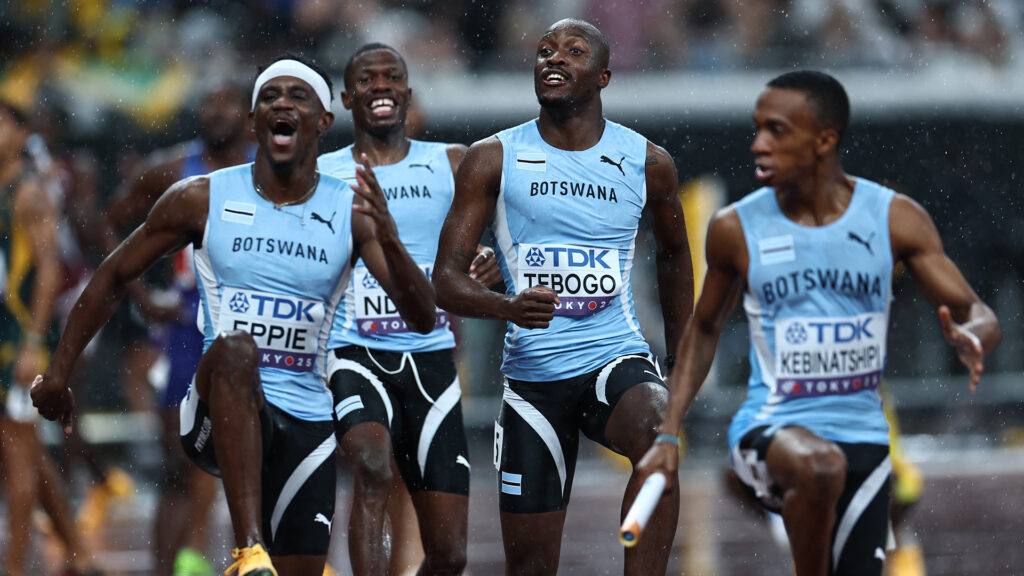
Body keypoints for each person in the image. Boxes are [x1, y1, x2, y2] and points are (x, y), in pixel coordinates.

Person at [31, 55, 437, 576]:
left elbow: (423, 317)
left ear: (322, 121)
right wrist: (59, 372)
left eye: (298, 97)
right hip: (216, 399)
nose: (282, 104)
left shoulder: (352, 210)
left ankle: (266, 554)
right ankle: (247, 549)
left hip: (307, 412)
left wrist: (391, 238)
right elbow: (109, 275)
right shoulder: (201, 197)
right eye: (270, 97)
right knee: (237, 350)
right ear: (254, 122)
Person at [636, 70, 1002, 576]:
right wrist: (669, 434)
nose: (758, 144)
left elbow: (976, 312)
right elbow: (703, 329)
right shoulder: (735, 228)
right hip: (771, 425)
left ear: (825, 140)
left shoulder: (895, 218)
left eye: (777, 131)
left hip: (865, 438)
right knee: (816, 466)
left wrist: (974, 336)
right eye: (757, 127)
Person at [432, 19, 694, 575]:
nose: (553, 58)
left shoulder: (648, 162)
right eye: (544, 50)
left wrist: (680, 357)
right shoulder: (492, 158)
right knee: (530, 567)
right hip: (532, 381)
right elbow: (446, 281)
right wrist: (507, 308)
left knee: (657, 436)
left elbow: (675, 256)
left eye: (573, 52)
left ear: (603, 74)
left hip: (613, 356)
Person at [318, 43, 500, 576]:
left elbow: (495, 245)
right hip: (352, 351)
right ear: (349, 98)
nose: (380, 85)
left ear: (407, 93)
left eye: (391, 76)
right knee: (373, 468)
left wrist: (491, 264)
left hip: (432, 357)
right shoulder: (323, 173)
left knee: (449, 554)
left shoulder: (452, 161)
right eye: (367, 78)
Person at [104, 80, 255, 576]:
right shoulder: (173, 170)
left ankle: (255, 561)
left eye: (226, 101)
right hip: (190, 329)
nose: (213, 110)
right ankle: (169, 569)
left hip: (257, 329)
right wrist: (144, 297)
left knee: (259, 461)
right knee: (178, 463)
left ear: (249, 117)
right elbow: (114, 221)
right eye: (207, 101)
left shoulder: (274, 170)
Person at [0, 99, 103, 576]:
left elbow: (47, 270)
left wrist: (33, 342)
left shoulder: (28, 192)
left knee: (17, 453)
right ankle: (76, 551)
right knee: (29, 453)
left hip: (17, 336)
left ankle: (15, 567)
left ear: (22, 135)